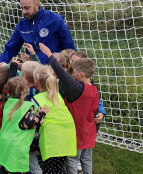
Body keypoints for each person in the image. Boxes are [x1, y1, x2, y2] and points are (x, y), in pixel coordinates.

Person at [39, 43, 99, 174]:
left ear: (81, 74)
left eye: (75, 72)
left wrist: (49, 55)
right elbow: (95, 110)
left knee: (72, 159)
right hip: (89, 132)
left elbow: (62, 74)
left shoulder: (75, 88)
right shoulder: (94, 89)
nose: (73, 74)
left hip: (75, 131)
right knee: (87, 160)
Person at [0, 0, 76, 65]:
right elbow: (10, 49)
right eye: (22, 8)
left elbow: (69, 46)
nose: (24, 12)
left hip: (54, 69)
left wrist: (74, 66)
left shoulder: (55, 20)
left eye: (27, 8)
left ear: (37, 5)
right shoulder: (22, 25)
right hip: (32, 70)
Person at [0, 77, 49, 173]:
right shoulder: (27, 106)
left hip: (5, 142)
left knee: (8, 169)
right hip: (18, 145)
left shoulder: (7, 101)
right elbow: (31, 123)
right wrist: (41, 114)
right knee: (17, 169)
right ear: (25, 90)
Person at [32, 65, 77, 174]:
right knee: (60, 167)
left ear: (35, 81)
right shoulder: (57, 95)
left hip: (51, 139)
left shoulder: (36, 99)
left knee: (50, 168)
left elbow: (35, 121)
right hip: (66, 135)